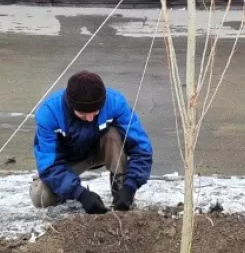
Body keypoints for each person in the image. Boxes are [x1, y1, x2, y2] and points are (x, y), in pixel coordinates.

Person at [29, 70, 153, 214]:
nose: (90, 119)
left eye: (95, 113)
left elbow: (142, 148)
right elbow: (49, 165)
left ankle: (121, 191)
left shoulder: (115, 103)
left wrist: (131, 186)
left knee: (113, 135)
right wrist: (80, 194)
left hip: (100, 151)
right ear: (71, 105)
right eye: (83, 114)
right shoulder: (49, 113)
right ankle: (65, 194)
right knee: (41, 197)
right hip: (67, 162)